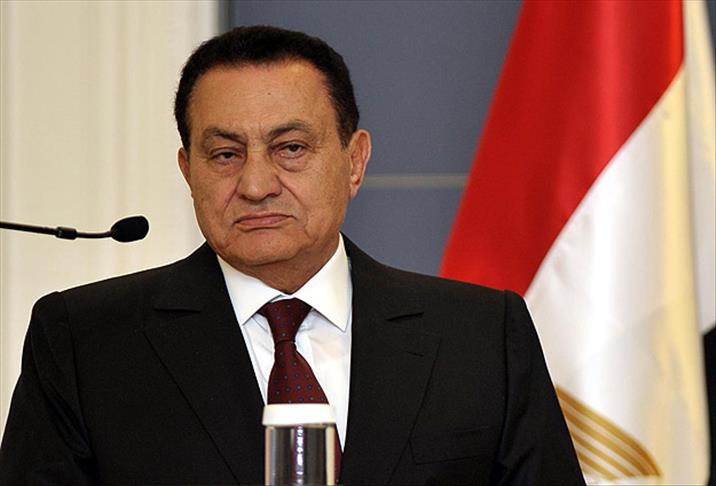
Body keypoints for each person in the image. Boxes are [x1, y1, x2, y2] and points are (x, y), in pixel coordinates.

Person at [0, 26, 584, 485]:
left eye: (291, 148)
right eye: (225, 154)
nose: (256, 184)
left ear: (354, 161)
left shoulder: (480, 336)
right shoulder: (85, 343)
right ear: (188, 170)